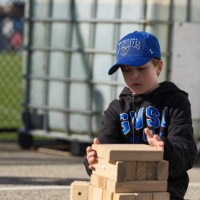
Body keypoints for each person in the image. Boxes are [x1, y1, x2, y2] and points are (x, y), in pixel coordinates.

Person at [84, 31, 197, 200]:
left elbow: (187, 153)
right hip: (124, 186)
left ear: (158, 67)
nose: (134, 75)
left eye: (141, 68)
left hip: (166, 187)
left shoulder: (176, 102)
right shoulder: (116, 109)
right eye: (126, 70)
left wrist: (164, 148)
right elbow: (107, 148)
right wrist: (93, 160)